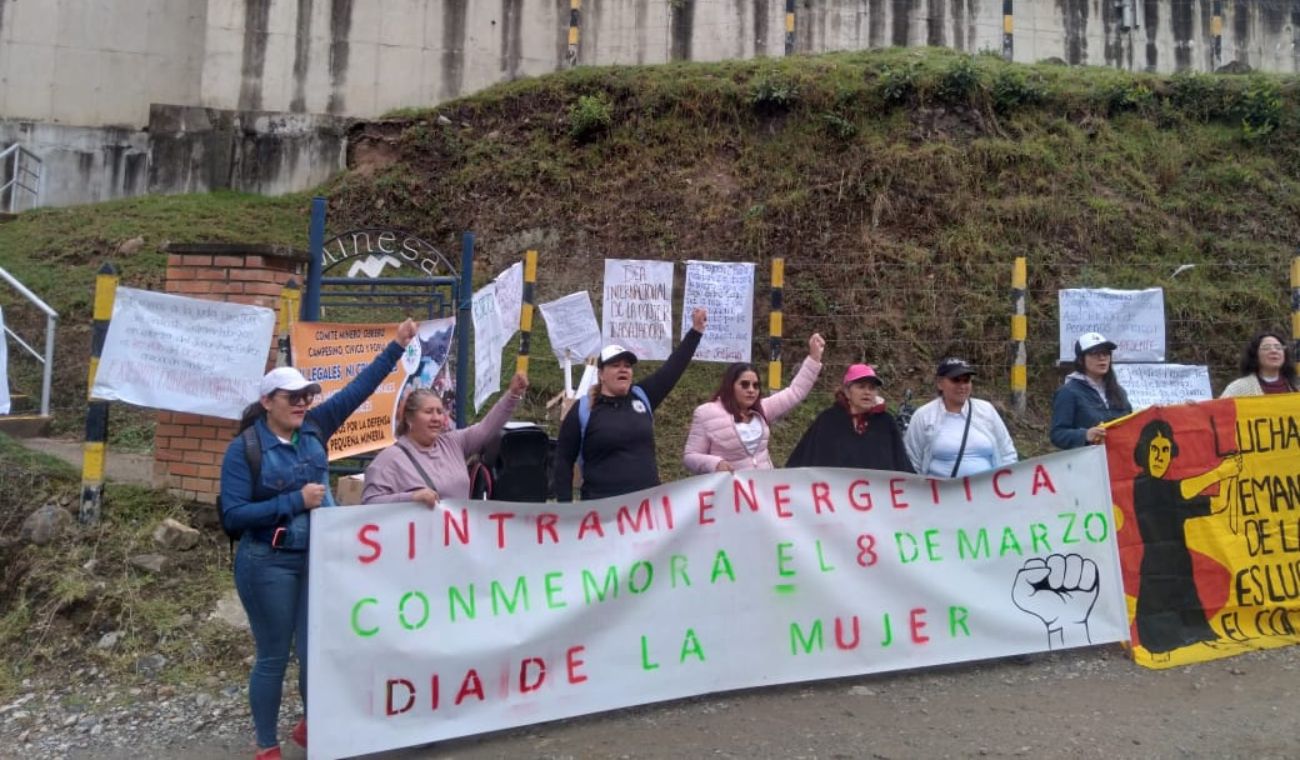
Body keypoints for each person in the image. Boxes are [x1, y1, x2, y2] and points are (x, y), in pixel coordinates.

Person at [219, 318, 417, 760]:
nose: (303, 404)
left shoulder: (316, 426)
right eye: (293, 398)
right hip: (266, 561)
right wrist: (293, 500)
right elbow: (232, 516)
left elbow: (358, 389)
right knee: (274, 655)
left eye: (306, 396)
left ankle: (313, 726)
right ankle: (266, 745)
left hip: (317, 559)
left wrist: (396, 347)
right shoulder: (244, 450)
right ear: (268, 401)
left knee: (315, 649)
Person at [552, 307, 707, 501]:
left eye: (627, 366)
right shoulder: (583, 409)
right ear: (601, 374)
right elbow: (563, 461)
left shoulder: (642, 396)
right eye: (615, 365)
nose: (623, 369)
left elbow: (673, 368)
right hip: (602, 510)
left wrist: (696, 332)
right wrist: (566, 510)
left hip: (646, 510)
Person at [1131, 419, 1241, 656]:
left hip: (1181, 569)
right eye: (1154, 449)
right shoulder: (1142, 484)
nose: (1160, 456)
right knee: (1161, 636)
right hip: (1156, 572)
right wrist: (1220, 472)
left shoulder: (1175, 490)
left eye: (1165, 449)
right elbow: (1183, 489)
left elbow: (1218, 505)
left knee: (1193, 633)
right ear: (1144, 450)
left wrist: (1231, 478)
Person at [362, 373, 529, 505]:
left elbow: (487, 427)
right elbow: (370, 504)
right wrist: (410, 499)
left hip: (456, 541)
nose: (436, 418)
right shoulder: (389, 460)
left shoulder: (454, 442)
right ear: (409, 419)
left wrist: (512, 395)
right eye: (428, 412)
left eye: (439, 412)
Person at [683, 334, 825, 474]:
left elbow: (795, 391)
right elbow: (690, 456)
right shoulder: (706, 413)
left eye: (755, 385)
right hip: (728, 492)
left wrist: (813, 359)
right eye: (744, 385)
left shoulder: (763, 408)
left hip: (763, 489)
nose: (751, 390)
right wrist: (715, 464)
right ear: (730, 385)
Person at [786, 363, 914, 472]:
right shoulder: (828, 421)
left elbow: (901, 464)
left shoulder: (885, 422)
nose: (867, 392)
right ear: (847, 391)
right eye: (861, 386)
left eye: (872, 388)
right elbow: (803, 462)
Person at [904, 357, 1018, 477]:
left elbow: (1007, 452)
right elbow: (912, 460)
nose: (962, 386)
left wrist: (1007, 483)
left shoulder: (986, 410)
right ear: (940, 383)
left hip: (988, 491)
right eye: (955, 380)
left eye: (966, 380)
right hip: (940, 492)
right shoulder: (924, 416)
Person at [1050, 331, 1132, 449]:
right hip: (1087, 463)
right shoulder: (1068, 392)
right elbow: (1057, 434)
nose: (1102, 358)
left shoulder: (1118, 391)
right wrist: (1085, 435)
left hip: (1119, 459)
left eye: (1106, 353)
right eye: (1095, 353)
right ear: (1081, 360)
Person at [1220, 331, 1298, 397]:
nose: (1274, 351)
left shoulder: (1295, 387)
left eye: (1278, 347)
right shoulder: (1238, 388)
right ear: (1255, 354)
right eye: (1266, 348)